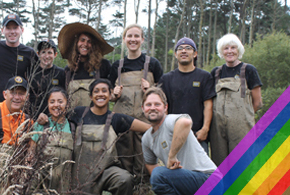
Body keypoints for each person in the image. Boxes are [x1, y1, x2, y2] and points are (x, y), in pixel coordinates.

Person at [69, 78, 151, 195]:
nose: (100, 94)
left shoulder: (116, 119)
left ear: (110, 94)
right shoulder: (78, 113)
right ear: (91, 96)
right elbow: (57, 119)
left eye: (104, 91)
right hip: (79, 172)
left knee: (124, 179)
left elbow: (148, 128)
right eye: (96, 91)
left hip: (105, 172)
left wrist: (168, 125)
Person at [109, 24, 163, 186]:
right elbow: (106, 95)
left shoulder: (153, 64)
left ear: (142, 39)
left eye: (136, 36)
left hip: (145, 120)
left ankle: (144, 188)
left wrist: (151, 89)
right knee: (123, 156)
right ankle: (126, 188)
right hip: (122, 121)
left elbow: (162, 94)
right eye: (129, 36)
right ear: (124, 39)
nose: (133, 39)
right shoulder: (116, 66)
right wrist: (114, 94)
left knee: (145, 156)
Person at [141, 87, 217, 195]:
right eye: (148, 105)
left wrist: (172, 156)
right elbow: (150, 165)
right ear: (143, 108)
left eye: (157, 104)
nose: (153, 108)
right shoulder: (146, 138)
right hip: (186, 181)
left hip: (209, 179)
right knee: (157, 175)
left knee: (159, 174)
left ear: (165, 107)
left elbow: (185, 122)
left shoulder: (169, 121)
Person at [210, 33, 263, 166]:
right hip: (218, 128)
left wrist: (242, 117)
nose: (230, 51)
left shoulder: (249, 70)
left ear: (238, 50)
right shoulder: (216, 72)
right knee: (219, 164)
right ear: (221, 52)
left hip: (242, 128)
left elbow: (258, 102)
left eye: (233, 47)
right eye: (226, 48)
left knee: (243, 164)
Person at [158, 37, 216, 154]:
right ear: (175, 54)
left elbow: (208, 105)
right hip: (174, 135)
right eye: (180, 48)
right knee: (174, 169)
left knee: (200, 171)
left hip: (198, 136)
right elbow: (163, 107)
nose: (184, 51)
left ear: (195, 54)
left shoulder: (204, 77)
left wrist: (205, 129)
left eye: (188, 48)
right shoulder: (166, 79)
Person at [0, 13, 38, 107]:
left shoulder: (29, 53)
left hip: (14, 106)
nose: (12, 31)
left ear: (21, 30)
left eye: (15, 28)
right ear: (2, 30)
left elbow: (39, 78)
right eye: (8, 28)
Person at [58, 22, 114, 107]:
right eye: (82, 40)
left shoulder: (103, 66)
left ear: (93, 45)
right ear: (76, 43)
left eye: (89, 41)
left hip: (97, 118)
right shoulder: (69, 69)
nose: (85, 44)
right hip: (72, 118)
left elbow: (112, 92)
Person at [29, 87, 73, 194]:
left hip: (63, 182)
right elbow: (31, 152)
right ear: (48, 105)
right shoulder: (40, 125)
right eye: (52, 102)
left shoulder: (73, 127)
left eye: (60, 101)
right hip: (40, 179)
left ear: (67, 104)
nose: (56, 105)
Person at [28, 39, 66, 119]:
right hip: (34, 117)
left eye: (49, 52)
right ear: (38, 54)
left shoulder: (61, 73)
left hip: (55, 118)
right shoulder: (31, 73)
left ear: (55, 54)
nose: (46, 56)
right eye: (43, 52)